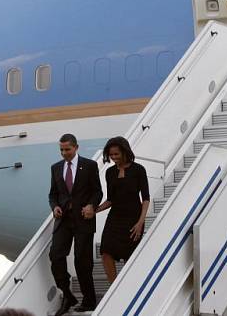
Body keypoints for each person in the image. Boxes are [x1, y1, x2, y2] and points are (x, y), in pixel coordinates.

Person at [48, 133, 103, 316]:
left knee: (82, 260)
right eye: (61, 150)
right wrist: (54, 206)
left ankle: (89, 300)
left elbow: (97, 192)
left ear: (76, 147)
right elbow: (53, 194)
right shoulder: (55, 168)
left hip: (83, 219)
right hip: (63, 219)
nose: (64, 153)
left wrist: (91, 206)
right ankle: (67, 294)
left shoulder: (89, 166)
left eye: (67, 149)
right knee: (56, 255)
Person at [95, 136, 151, 283]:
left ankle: (127, 287)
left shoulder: (139, 170)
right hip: (115, 217)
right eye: (111, 155)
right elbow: (110, 200)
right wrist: (96, 210)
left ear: (125, 152)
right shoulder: (110, 172)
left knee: (129, 256)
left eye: (116, 154)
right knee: (105, 251)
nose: (113, 158)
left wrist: (140, 223)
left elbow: (146, 198)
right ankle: (113, 287)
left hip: (134, 218)